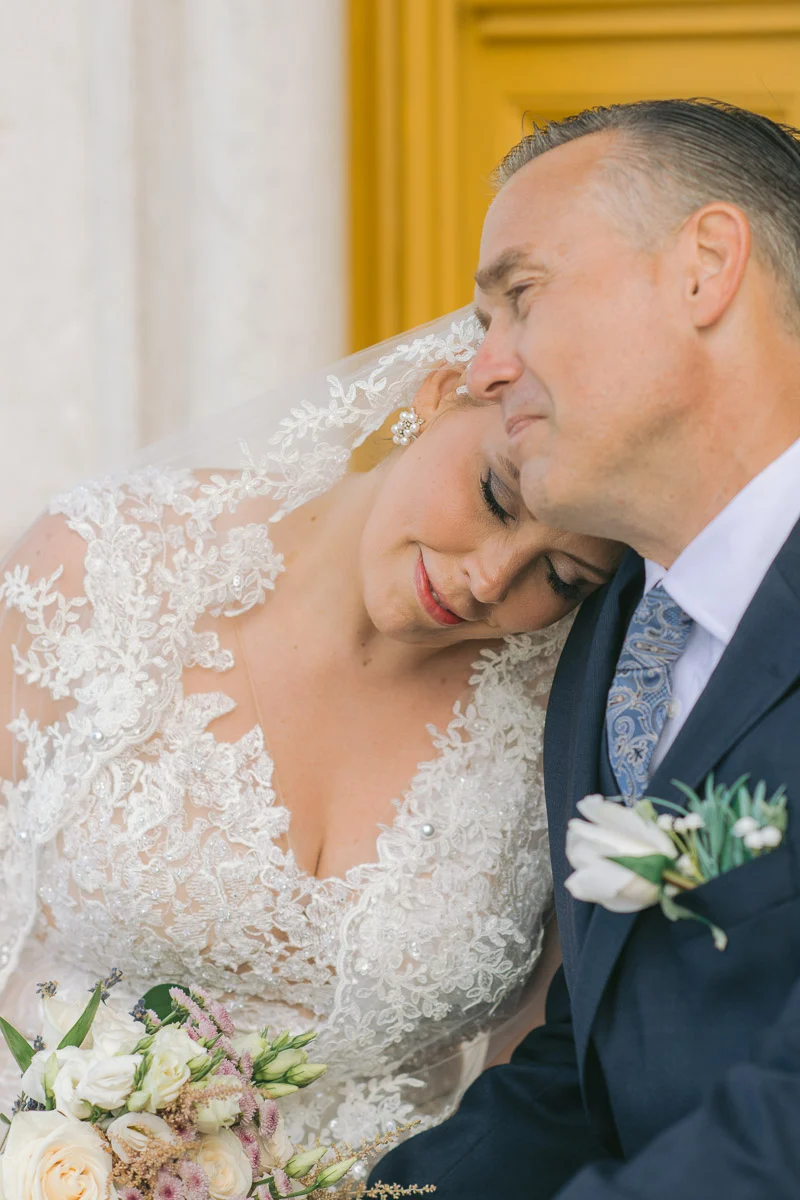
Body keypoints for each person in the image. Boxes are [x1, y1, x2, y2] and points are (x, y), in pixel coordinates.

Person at [0, 314, 623, 1154]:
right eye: (495, 499)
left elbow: (547, 1044)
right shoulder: (104, 566)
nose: (488, 578)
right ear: (443, 395)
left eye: (561, 575)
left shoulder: (579, 700)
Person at [372, 98, 800, 1198]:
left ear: (703, 266)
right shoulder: (607, 645)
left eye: (518, 298)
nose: (484, 371)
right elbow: (596, 1065)